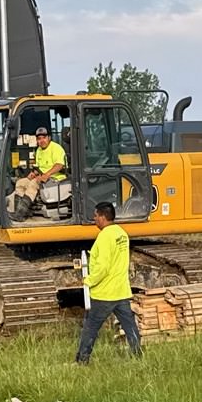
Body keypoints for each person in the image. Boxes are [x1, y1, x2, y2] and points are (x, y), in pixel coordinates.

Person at [76, 200, 141, 363]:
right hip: (121, 291)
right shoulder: (121, 234)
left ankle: (82, 361)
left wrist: (88, 280)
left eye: (95, 216)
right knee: (130, 326)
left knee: (90, 327)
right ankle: (137, 356)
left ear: (103, 217)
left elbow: (103, 267)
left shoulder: (104, 237)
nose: (94, 219)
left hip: (104, 294)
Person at [12, 126, 69, 215]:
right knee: (20, 183)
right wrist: (33, 173)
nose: (42, 140)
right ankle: (20, 211)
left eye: (44, 138)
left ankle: (20, 214)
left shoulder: (56, 148)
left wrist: (46, 175)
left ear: (49, 138)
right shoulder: (38, 150)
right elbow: (39, 167)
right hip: (43, 177)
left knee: (33, 184)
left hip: (56, 179)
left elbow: (59, 165)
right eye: (39, 138)